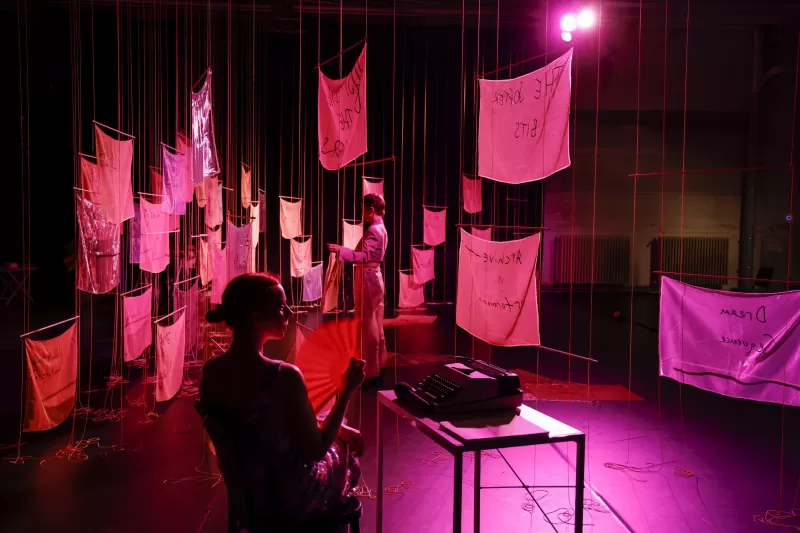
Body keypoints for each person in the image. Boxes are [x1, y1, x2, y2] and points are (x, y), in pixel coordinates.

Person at [199, 272, 365, 528]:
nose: (289, 313)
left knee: (333, 428)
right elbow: (315, 450)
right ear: (257, 319)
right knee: (342, 444)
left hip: (248, 493)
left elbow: (262, 425)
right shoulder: (283, 376)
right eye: (281, 307)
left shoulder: (211, 372)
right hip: (291, 499)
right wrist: (346, 392)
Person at [327, 193, 388, 389]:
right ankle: (378, 365)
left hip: (368, 277)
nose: (361, 213)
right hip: (373, 276)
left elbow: (365, 255)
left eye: (363, 209)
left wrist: (341, 250)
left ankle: (370, 371)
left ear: (371, 210)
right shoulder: (380, 229)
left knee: (368, 324)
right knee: (375, 323)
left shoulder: (374, 231)